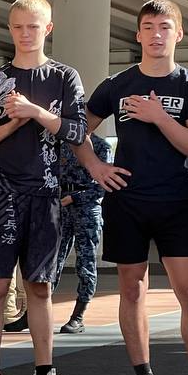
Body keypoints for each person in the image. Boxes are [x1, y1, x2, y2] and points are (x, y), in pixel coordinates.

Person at [74, 0, 188, 375]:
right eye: (149, 26)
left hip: (175, 202)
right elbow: (77, 131)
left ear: (177, 34)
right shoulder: (117, 85)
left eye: (165, 26)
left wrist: (160, 117)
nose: (156, 34)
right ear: (138, 34)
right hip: (126, 202)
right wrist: (95, 165)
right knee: (131, 290)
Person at [0, 0, 87, 375]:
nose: (25, 33)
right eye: (18, 26)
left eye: (33, 26)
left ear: (47, 29)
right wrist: (10, 124)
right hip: (1, 193)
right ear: (10, 29)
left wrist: (34, 111)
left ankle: (44, 374)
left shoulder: (65, 77)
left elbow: (77, 131)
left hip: (47, 193)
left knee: (41, 288)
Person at [53, 133, 111, 333]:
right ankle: (35, 312)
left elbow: (105, 184)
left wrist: (75, 198)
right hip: (60, 206)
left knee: (85, 262)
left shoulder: (100, 146)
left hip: (86, 209)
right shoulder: (61, 144)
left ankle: (78, 315)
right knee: (51, 261)